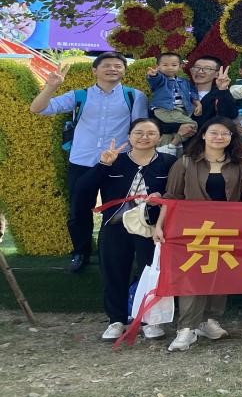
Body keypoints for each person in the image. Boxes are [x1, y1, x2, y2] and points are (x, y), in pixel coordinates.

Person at [30, 53, 148, 273]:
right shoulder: (79, 96)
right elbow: (37, 109)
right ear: (95, 70)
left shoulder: (134, 96)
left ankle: (110, 253)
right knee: (79, 211)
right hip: (82, 161)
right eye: (107, 65)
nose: (113, 69)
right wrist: (51, 87)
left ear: (124, 70)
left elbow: (140, 128)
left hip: (118, 162)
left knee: (116, 210)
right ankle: (80, 253)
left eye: (118, 66)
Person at [156, 118, 242, 351]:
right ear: (203, 135)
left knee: (220, 274)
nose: (219, 137)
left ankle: (209, 320)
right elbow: (171, 197)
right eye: (214, 132)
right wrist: (160, 225)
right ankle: (186, 328)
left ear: (231, 138)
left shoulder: (237, 164)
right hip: (193, 230)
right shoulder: (185, 162)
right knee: (192, 276)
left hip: (227, 229)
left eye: (225, 134)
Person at [82, 118, 174, 341]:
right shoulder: (115, 160)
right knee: (114, 272)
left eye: (151, 133)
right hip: (115, 224)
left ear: (159, 137)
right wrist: (103, 165)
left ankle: (149, 320)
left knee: (150, 272)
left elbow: (176, 191)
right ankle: (116, 320)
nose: (144, 137)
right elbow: (84, 188)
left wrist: (161, 196)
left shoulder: (169, 162)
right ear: (130, 136)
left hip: (151, 227)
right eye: (138, 133)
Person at [145, 53, 198, 148]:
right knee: (192, 125)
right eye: (165, 65)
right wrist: (153, 75)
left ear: (180, 66)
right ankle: (174, 144)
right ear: (158, 66)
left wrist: (198, 103)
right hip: (166, 110)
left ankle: (164, 149)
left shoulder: (184, 81)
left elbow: (192, 92)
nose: (169, 68)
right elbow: (155, 80)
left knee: (169, 134)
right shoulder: (161, 80)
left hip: (180, 111)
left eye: (174, 65)